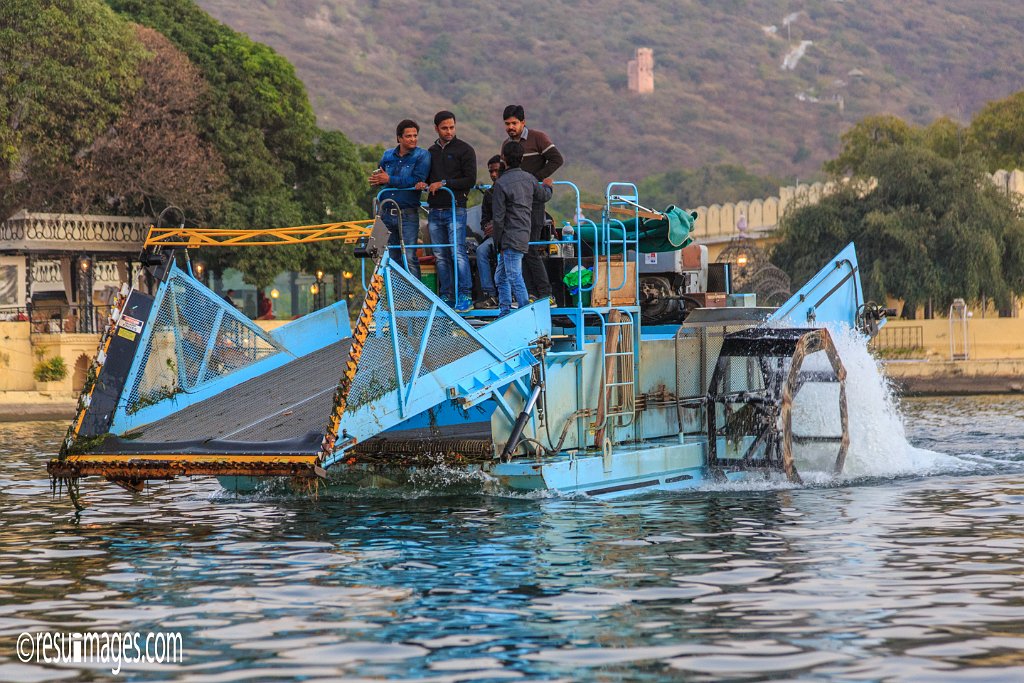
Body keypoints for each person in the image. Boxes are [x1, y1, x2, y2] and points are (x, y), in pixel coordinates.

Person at [501, 104, 564, 304]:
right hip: (516, 205)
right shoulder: (506, 145)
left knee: (531, 248)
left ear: (523, 122)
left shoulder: (538, 138)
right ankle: (531, 293)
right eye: (507, 124)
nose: (511, 127)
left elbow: (556, 159)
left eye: (514, 123)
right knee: (522, 250)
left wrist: (535, 179)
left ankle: (545, 293)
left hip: (535, 201)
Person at [416, 111, 476, 312]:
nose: (449, 131)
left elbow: (470, 179)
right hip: (434, 210)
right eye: (444, 128)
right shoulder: (430, 152)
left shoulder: (465, 150)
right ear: (436, 129)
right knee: (440, 254)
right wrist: (423, 183)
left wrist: (444, 183)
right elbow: (425, 177)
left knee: (457, 252)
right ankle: (447, 294)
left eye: (451, 127)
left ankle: (465, 294)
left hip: (455, 208)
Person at [492, 141, 553, 316]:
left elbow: (498, 218)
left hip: (508, 237)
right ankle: (504, 311)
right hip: (523, 234)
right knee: (501, 276)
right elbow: (543, 196)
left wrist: (497, 243)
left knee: (512, 275)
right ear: (521, 158)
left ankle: (525, 311)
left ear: (504, 158)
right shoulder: (529, 179)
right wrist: (548, 185)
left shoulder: (501, 184)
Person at [370, 119, 431, 279]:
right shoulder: (388, 154)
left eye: (415, 135)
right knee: (390, 256)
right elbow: (381, 174)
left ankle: (417, 298)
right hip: (386, 211)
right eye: (408, 136)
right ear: (399, 138)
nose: (413, 139)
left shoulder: (422, 155)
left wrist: (389, 179)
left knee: (409, 255)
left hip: (407, 213)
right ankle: (397, 297)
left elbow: (416, 180)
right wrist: (377, 180)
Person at [474, 155, 505, 309]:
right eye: (491, 171)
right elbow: (484, 218)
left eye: (496, 171)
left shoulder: (511, 189)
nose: (493, 174)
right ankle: (490, 294)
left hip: (510, 235)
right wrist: (487, 226)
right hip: (493, 237)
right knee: (480, 250)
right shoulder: (489, 194)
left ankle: (509, 294)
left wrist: (500, 226)